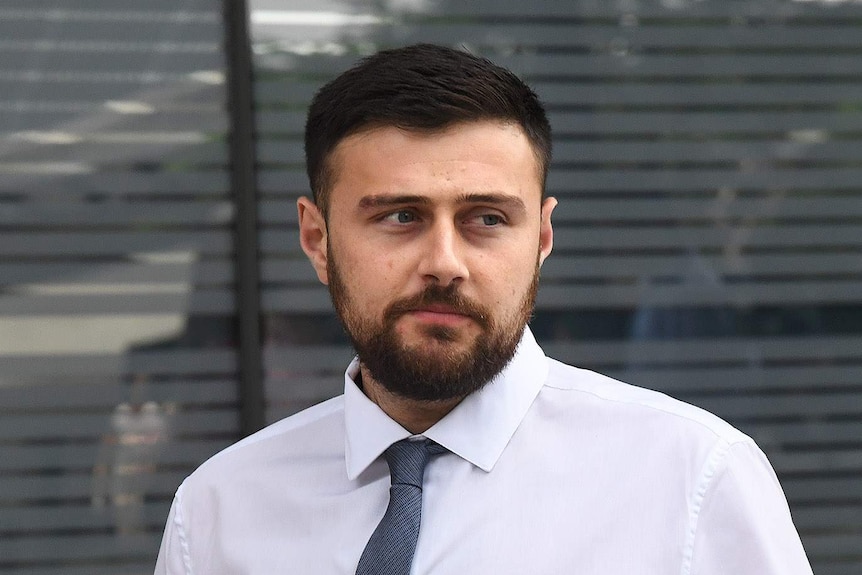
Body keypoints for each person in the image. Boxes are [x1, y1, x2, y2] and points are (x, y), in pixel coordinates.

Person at [155, 44, 813, 574]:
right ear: (317, 238)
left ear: (543, 238)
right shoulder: (219, 513)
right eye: (401, 215)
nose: (445, 261)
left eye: (487, 218)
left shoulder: (692, 481)